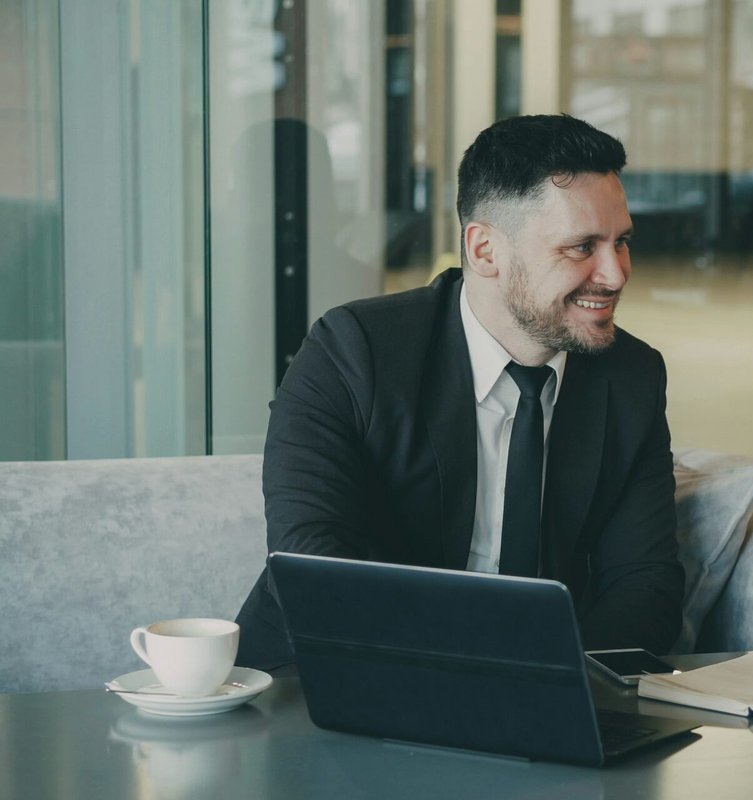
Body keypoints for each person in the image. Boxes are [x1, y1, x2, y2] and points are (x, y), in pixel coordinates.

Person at [236, 114, 684, 669]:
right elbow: (313, 563)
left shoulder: (630, 377)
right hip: (325, 681)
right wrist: (462, 678)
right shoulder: (354, 353)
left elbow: (646, 585)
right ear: (485, 250)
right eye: (581, 247)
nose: (615, 274)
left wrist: (545, 682)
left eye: (622, 242)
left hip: (538, 693)